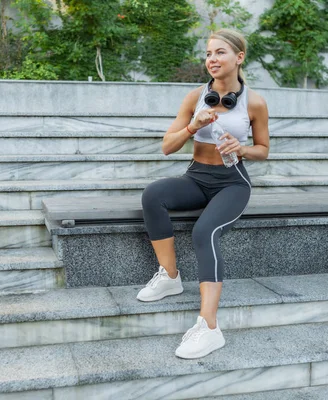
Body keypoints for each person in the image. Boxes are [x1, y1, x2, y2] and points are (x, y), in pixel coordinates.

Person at [137, 28, 270, 359]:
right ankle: (169, 276)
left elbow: (264, 149)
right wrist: (193, 126)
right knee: (153, 195)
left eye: (220, 53)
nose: (212, 59)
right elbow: (167, 147)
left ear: (238, 57)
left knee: (204, 230)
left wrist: (242, 148)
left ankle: (209, 327)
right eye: (208, 54)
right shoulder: (194, 96)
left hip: (232, 183)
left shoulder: (254, 102)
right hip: (197, 176)